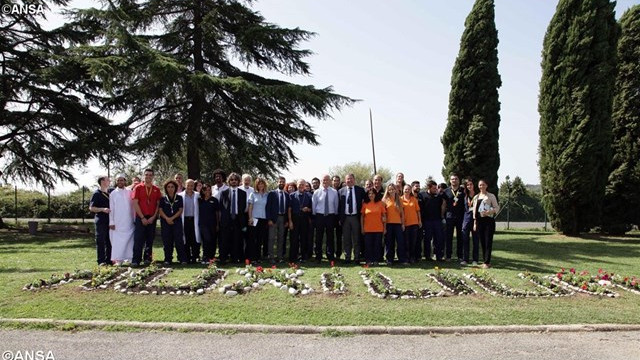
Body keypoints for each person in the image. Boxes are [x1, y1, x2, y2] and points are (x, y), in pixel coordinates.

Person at [131, 169, 162, 266]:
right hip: (141, 217)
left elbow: (158, 205)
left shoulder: (156, 189)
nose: (148, 176)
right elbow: (135, 203)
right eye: (146, 175)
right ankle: (136, 260)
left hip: (152, 218)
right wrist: (142, 217)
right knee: (138, 239)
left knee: (150, 239)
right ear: (143, 176)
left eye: (150, 175)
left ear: (153, 177)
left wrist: (153, 217)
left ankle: (148, 259)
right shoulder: (138, 188)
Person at [219, 172, 247, 263]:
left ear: (238, 181)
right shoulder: (224, 193)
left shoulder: (243, 193)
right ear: (229, 181)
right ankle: (223, 259)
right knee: (225, 240)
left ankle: (235, 258)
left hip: (238, 220)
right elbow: (221, 208)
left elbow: (243, 208)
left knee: (237, 240)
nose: (234, 181)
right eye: (231, 180)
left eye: (235, 180)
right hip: (227, 220)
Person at [158, 180, 187, 265]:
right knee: (167, 241)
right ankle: (168, 259)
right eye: (168, 187)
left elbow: (180, 210)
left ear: (175, 188)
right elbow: (160, 210)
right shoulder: (163, 199)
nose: (170, 189)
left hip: (176, 222)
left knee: (179, 241)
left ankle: (182, 259)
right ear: (166, 188)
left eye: (172, 187)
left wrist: (172, 218)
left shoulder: (179, 198)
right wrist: (167, 218)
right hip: (165, 222)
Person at [472, 179, 500, 268]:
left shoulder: (491, 196)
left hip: (488, 221)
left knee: (488, 242)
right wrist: (475, 223)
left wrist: (489, 212)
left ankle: (487, 262)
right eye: (480, 185)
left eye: (483, 185)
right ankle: (485, 261)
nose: (481, 186)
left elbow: (497, 208)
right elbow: (475, 211)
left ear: (486, 185)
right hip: (479, 221)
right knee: (482, 242)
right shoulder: (476, 197)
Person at [312, 174, 339, 262]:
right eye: (324, 180)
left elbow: (336, 205)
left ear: (330, 181)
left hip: (330, 216)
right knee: (319, 237)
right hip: (319, 216)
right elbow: (314, 205)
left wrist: (335, 215)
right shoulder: (317, 192)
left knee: (330, 237)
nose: (325, 181)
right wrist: (314, 215)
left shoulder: (334, 192)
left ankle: (330, 255)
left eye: (327, 180)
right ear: (321, 181)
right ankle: (318, 255)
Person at [339, 173, 365, 263]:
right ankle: (347, 257)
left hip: (355, 217)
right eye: (347, 179)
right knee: (346, 239)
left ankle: (357, 257)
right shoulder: (341, 191)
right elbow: (339, 206)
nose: (349, 181)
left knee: (356, 239)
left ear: (354, 180)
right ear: (345, 181)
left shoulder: (360, 190)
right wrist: (339, 218)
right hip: (345, 218)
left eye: (351, 179)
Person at [108, 174, 134, 265]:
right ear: (116, 182)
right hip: (117, 222)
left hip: (129, 221)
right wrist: (111, 222)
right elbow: (111, 208)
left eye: (122, 180)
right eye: (118, 180)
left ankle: (130, 258)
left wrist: (134, 219)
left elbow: (133, 206)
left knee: (130, 240)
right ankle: (118, 260)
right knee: (117, 241)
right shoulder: (113, 194)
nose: (120, 182)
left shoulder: (130, 191)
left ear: (125, 181)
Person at [266, 176, 291, 264]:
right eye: (280, 181)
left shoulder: (287, 195)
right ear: (277, 182)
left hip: (283, 218)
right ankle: (271, 257)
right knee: (271, 238)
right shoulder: (272, 193)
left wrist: (287, 220)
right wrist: (269, 219)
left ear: (285, 183)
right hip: (273, 219)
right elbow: (268, 207)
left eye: (283, 182)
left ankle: (280, 257)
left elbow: (288, 208)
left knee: (281, 239)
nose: (281, 183)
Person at [420, 180, 447, 261]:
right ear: (429, 187)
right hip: (427, 221)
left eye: (436, 188)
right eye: (434, 188)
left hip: (437, 220)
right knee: (427, 239)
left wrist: (442, 216)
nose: (436, 190)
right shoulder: (422, 195)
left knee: (438, 238)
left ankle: (439, 256)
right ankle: (427, 256)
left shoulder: (438, 196)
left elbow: (443, 204)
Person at [89, 176, 112, 265]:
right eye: (107, 180)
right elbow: (91, 208)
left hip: (110, 220)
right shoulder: (97, 194)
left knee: (109, 240)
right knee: (101, 240)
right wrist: (102, 209)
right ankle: (101, 261)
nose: (109, 181)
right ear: (102, 181)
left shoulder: (110, 192)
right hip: (101, 220)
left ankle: (109, 260)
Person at [361, 188, 386, 266]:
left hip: (378, 228)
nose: (371, 195)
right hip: (367, 229)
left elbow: (384, 216)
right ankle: (368, 260)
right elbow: (362, 217)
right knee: (368, 246)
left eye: (372, 193)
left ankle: (376, 260)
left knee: (377, 246)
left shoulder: (380, 204)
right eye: (369, 194)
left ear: (375, 194)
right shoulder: (365, 204)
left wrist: (385, 228)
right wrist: (362, 228)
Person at [444, 173, 466, 261]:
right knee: (448, 237)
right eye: (452, 179)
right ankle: (448, 256)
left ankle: (460, 256)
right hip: (449, 217)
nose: (454, 180)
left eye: (456, 179)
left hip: (460, 217)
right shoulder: (446, 191)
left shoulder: (463, 191)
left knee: (460, 237)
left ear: (459, 180)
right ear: (450, 181)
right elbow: (443, 204)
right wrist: (442, 215)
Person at [289, 179, 312, 262]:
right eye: (299, 184)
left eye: (303, 184)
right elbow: (289, 209)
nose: (301, 186)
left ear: (305, 185)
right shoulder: (292, 195)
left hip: (304, 219)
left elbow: (312, 209)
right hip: (295, 219)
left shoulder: (309, 195)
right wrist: (290, 221)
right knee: (294, 238)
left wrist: (308, 209)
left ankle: (303, 257)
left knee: (304, 238)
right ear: (297, 185)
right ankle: (293, 257)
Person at [382, 184, 405, 265]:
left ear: (396, 190)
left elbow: (402, 213)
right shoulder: (385, 200)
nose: (391, 191)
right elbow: (383, 214)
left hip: (398, 224)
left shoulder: (399, 200)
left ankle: (402, 259)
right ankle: (389, 259)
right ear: (387, 190)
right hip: (388, 224)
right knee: (389, 243)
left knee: (400, 242)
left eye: (393, 189)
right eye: (390, 189)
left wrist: (403, 224)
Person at [179, 179, 201, 263]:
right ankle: (187, 257)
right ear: (185, 185)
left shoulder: (197, 195)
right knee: (186, 239)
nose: (190, 187)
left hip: (194, 220)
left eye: (192, 185)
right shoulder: (180, 195)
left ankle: (195, 257)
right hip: (185, 220)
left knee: (195, 239)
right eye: (188, 185)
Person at [248, 178, 269, 261]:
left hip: (263, 219)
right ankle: (252, 257)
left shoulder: (267, 195)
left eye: (262, 183)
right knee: (253, 239)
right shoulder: (253, 194)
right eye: (259, 184)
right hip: (254, 219)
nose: (261, 185)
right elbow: (250, 207)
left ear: (264, 185)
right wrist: (250, 218)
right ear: (256, 185)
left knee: (260, 239)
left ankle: (258, 257)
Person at [199, 184, 220, 264]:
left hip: (213, 224)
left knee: (213, 241)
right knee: (206, 240)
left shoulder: (214, 200)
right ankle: (205, 257)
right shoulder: (199, 200)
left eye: (209, 189)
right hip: (203, 224)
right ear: (203, 191)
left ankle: (211, 257)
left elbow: (217, 213)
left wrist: (217, 224)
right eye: (206, 190)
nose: (207, 191)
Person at [461, 178, 479, 266]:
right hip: (466, 220)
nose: (469, 186)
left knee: (475, 240)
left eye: (471, 184)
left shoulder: (478, 195)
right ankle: (465, 259)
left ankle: (475, 259)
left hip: (476, 220)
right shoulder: (464, 196)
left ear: (474, 185)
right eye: (467, 185)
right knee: (465, 240)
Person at [402, 184, 422, 263]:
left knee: (413, 242)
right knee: (406, 242)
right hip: (405, 224)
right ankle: (406, 258)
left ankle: (412, 257)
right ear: (403, 190)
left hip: (414, 223)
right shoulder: (400, 199)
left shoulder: (414, 199)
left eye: (408, 189)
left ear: (411, 190)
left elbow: (418, 211)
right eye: (405, 189)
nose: (407, 191)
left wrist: (419, 220)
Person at [332, 175, 343, 259]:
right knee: (330, 236)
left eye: (337, 181)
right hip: (331, 216)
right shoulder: (329, 191)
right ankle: (331, 253)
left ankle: (338, 254)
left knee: (339, 236)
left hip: (339, 217)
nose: (336, 182)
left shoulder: (341, 191)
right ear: (332, 181)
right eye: (334, 180)